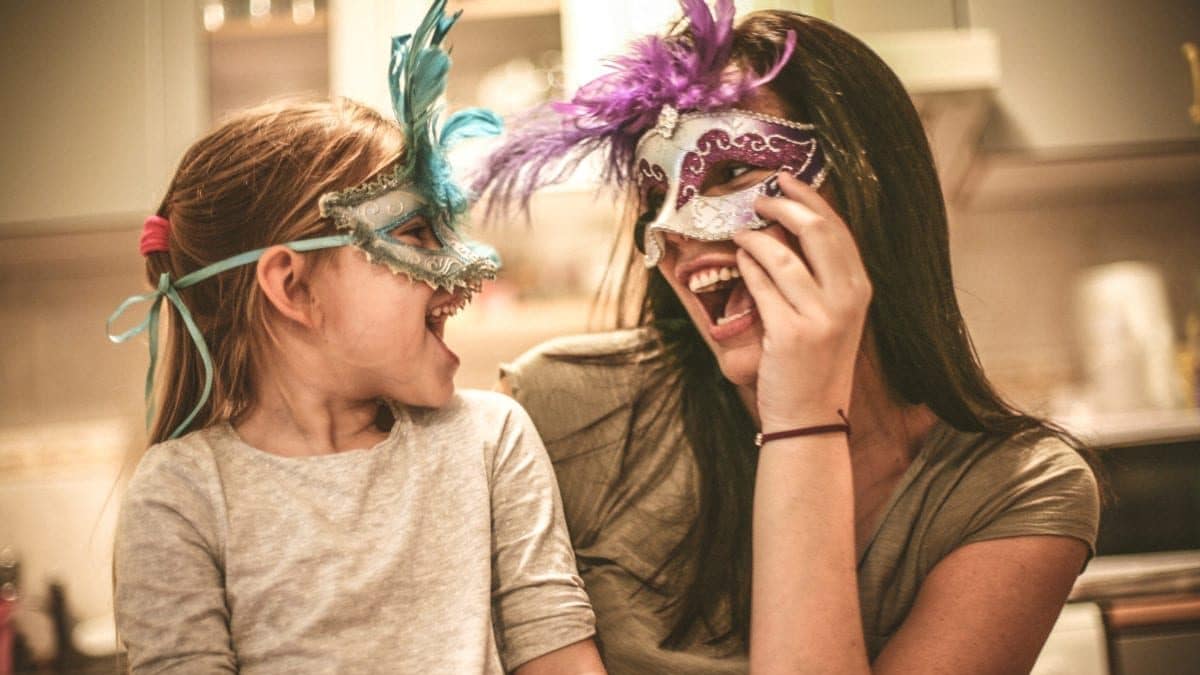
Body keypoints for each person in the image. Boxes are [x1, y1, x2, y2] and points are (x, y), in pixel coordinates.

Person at [475, 1, 1101, 673]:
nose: (676, 229)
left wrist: (804, 416)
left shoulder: (1020, 490)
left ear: (871, 191)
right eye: (656, 197)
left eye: (733, 171)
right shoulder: (562, 408)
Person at [108, 2, 606, 673]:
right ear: (293, 287)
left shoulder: (489, 441)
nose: (469, 266)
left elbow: (559, 655)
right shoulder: (183, 495)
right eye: (416, 234)